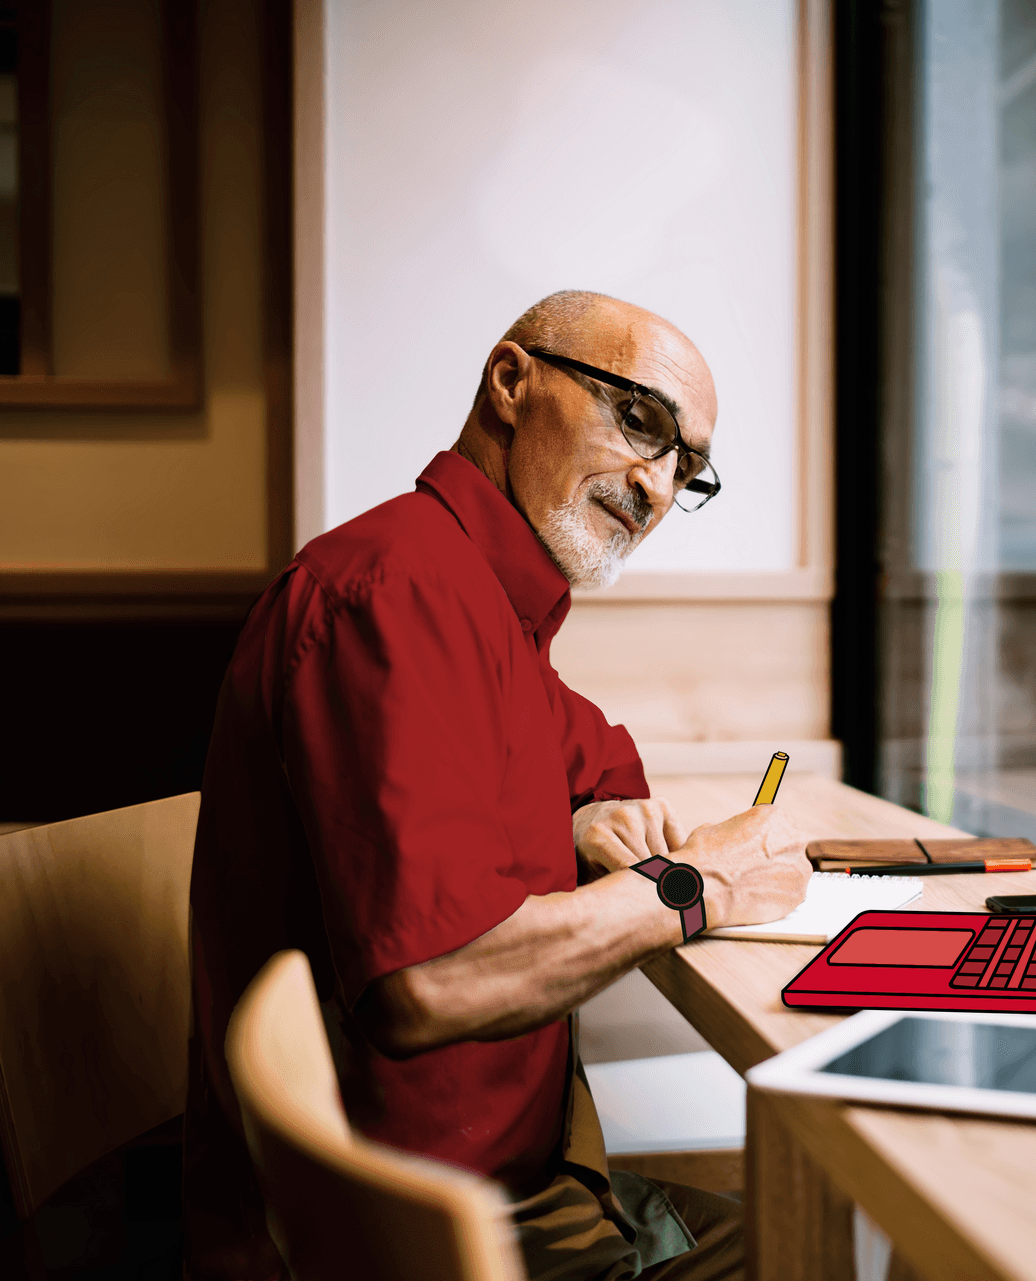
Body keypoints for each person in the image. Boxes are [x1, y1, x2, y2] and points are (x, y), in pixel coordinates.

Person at [184, 291, 811, 1280]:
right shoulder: (397, 594)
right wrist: (697, 891)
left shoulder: (491, 600)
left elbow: (603, 759)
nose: (654, 487)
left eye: (683, 465)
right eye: (638, 420)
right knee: (848, 1253)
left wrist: (587, 816)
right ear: (512, 383)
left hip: (523, 1175)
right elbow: (429, 984)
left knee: (823, 1243)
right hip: (408, 1227)